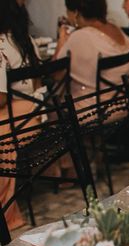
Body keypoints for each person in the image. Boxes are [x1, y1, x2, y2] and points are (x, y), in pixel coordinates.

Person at [0, 0, 40, 231]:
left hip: (21, 120)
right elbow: (36, 84)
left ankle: (6, 212)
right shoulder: (25, 39)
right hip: (38, 114)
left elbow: (1, 99)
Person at [55, 0, 129, 102]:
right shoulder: (118, 30)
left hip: (93, 110)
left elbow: (56, 75)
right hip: (124, 103)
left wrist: (61, 40)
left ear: (76, 13)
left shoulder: (81, 36)